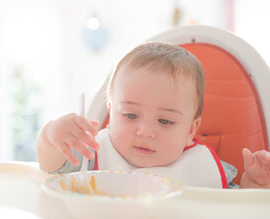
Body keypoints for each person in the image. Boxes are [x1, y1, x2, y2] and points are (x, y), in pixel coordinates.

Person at [36, 41, 270, 189]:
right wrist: (52, 135)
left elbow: (236, 212)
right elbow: (51, 167)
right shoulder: (93, 154)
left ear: (190, 130)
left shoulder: (202, 167)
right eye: (130, 115)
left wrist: (255, 184)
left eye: (165, 121)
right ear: (111, 113)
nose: (146, 132)